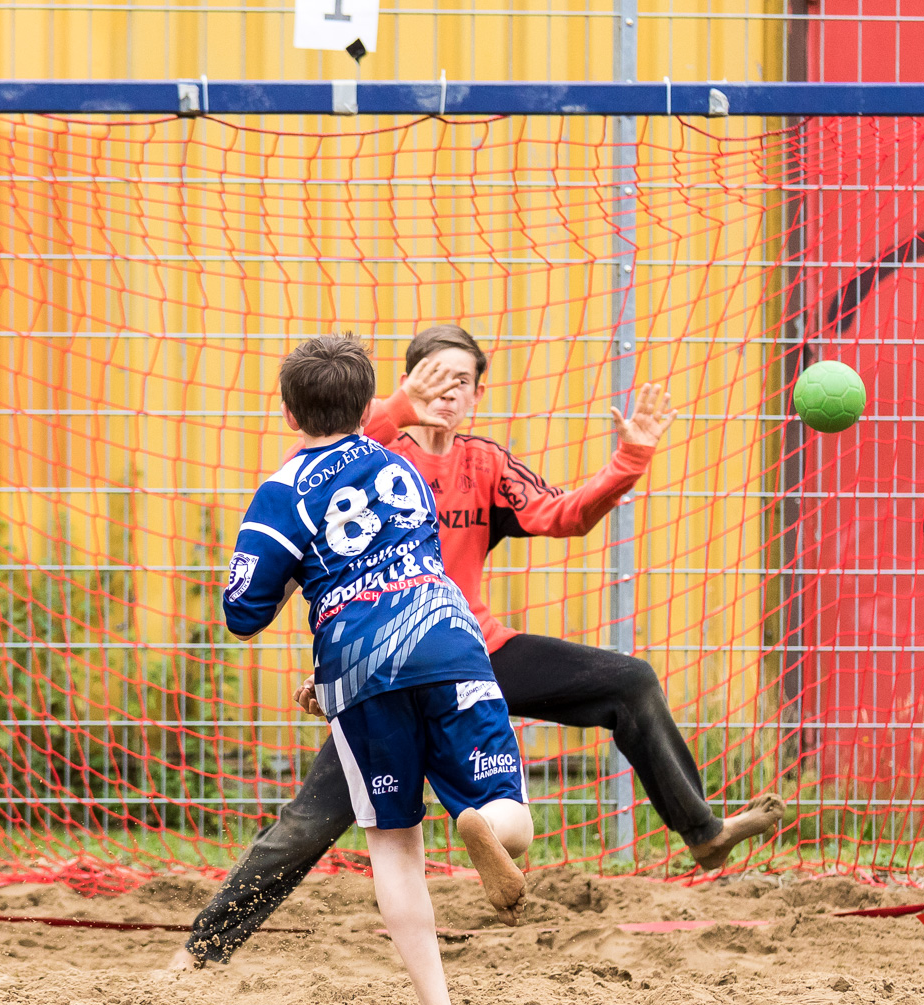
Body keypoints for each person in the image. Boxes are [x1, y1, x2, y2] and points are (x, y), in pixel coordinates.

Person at [171, 324, 783, 970]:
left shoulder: (485, 464)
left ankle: (704, 833)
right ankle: (201, 952)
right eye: (434, 376)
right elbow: (329, 459)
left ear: (478, 394)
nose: (448, 390)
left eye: (461, 380)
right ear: (405, 385)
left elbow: (565, 514)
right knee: (307, 823)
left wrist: (628, 459)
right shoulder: (372, 452)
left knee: (629, 682)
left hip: (474, 647)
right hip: (387, 667)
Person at [219, 331, 532, 1005]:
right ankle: (484, 821)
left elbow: (243, 612)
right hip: (450, 640)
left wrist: (291, 603)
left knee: (394, 845)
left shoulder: (280, 493)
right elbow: (391, 573)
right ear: (368, 407)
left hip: (362, 670)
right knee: (510, 806)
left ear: (287, 414)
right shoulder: (404, 471)